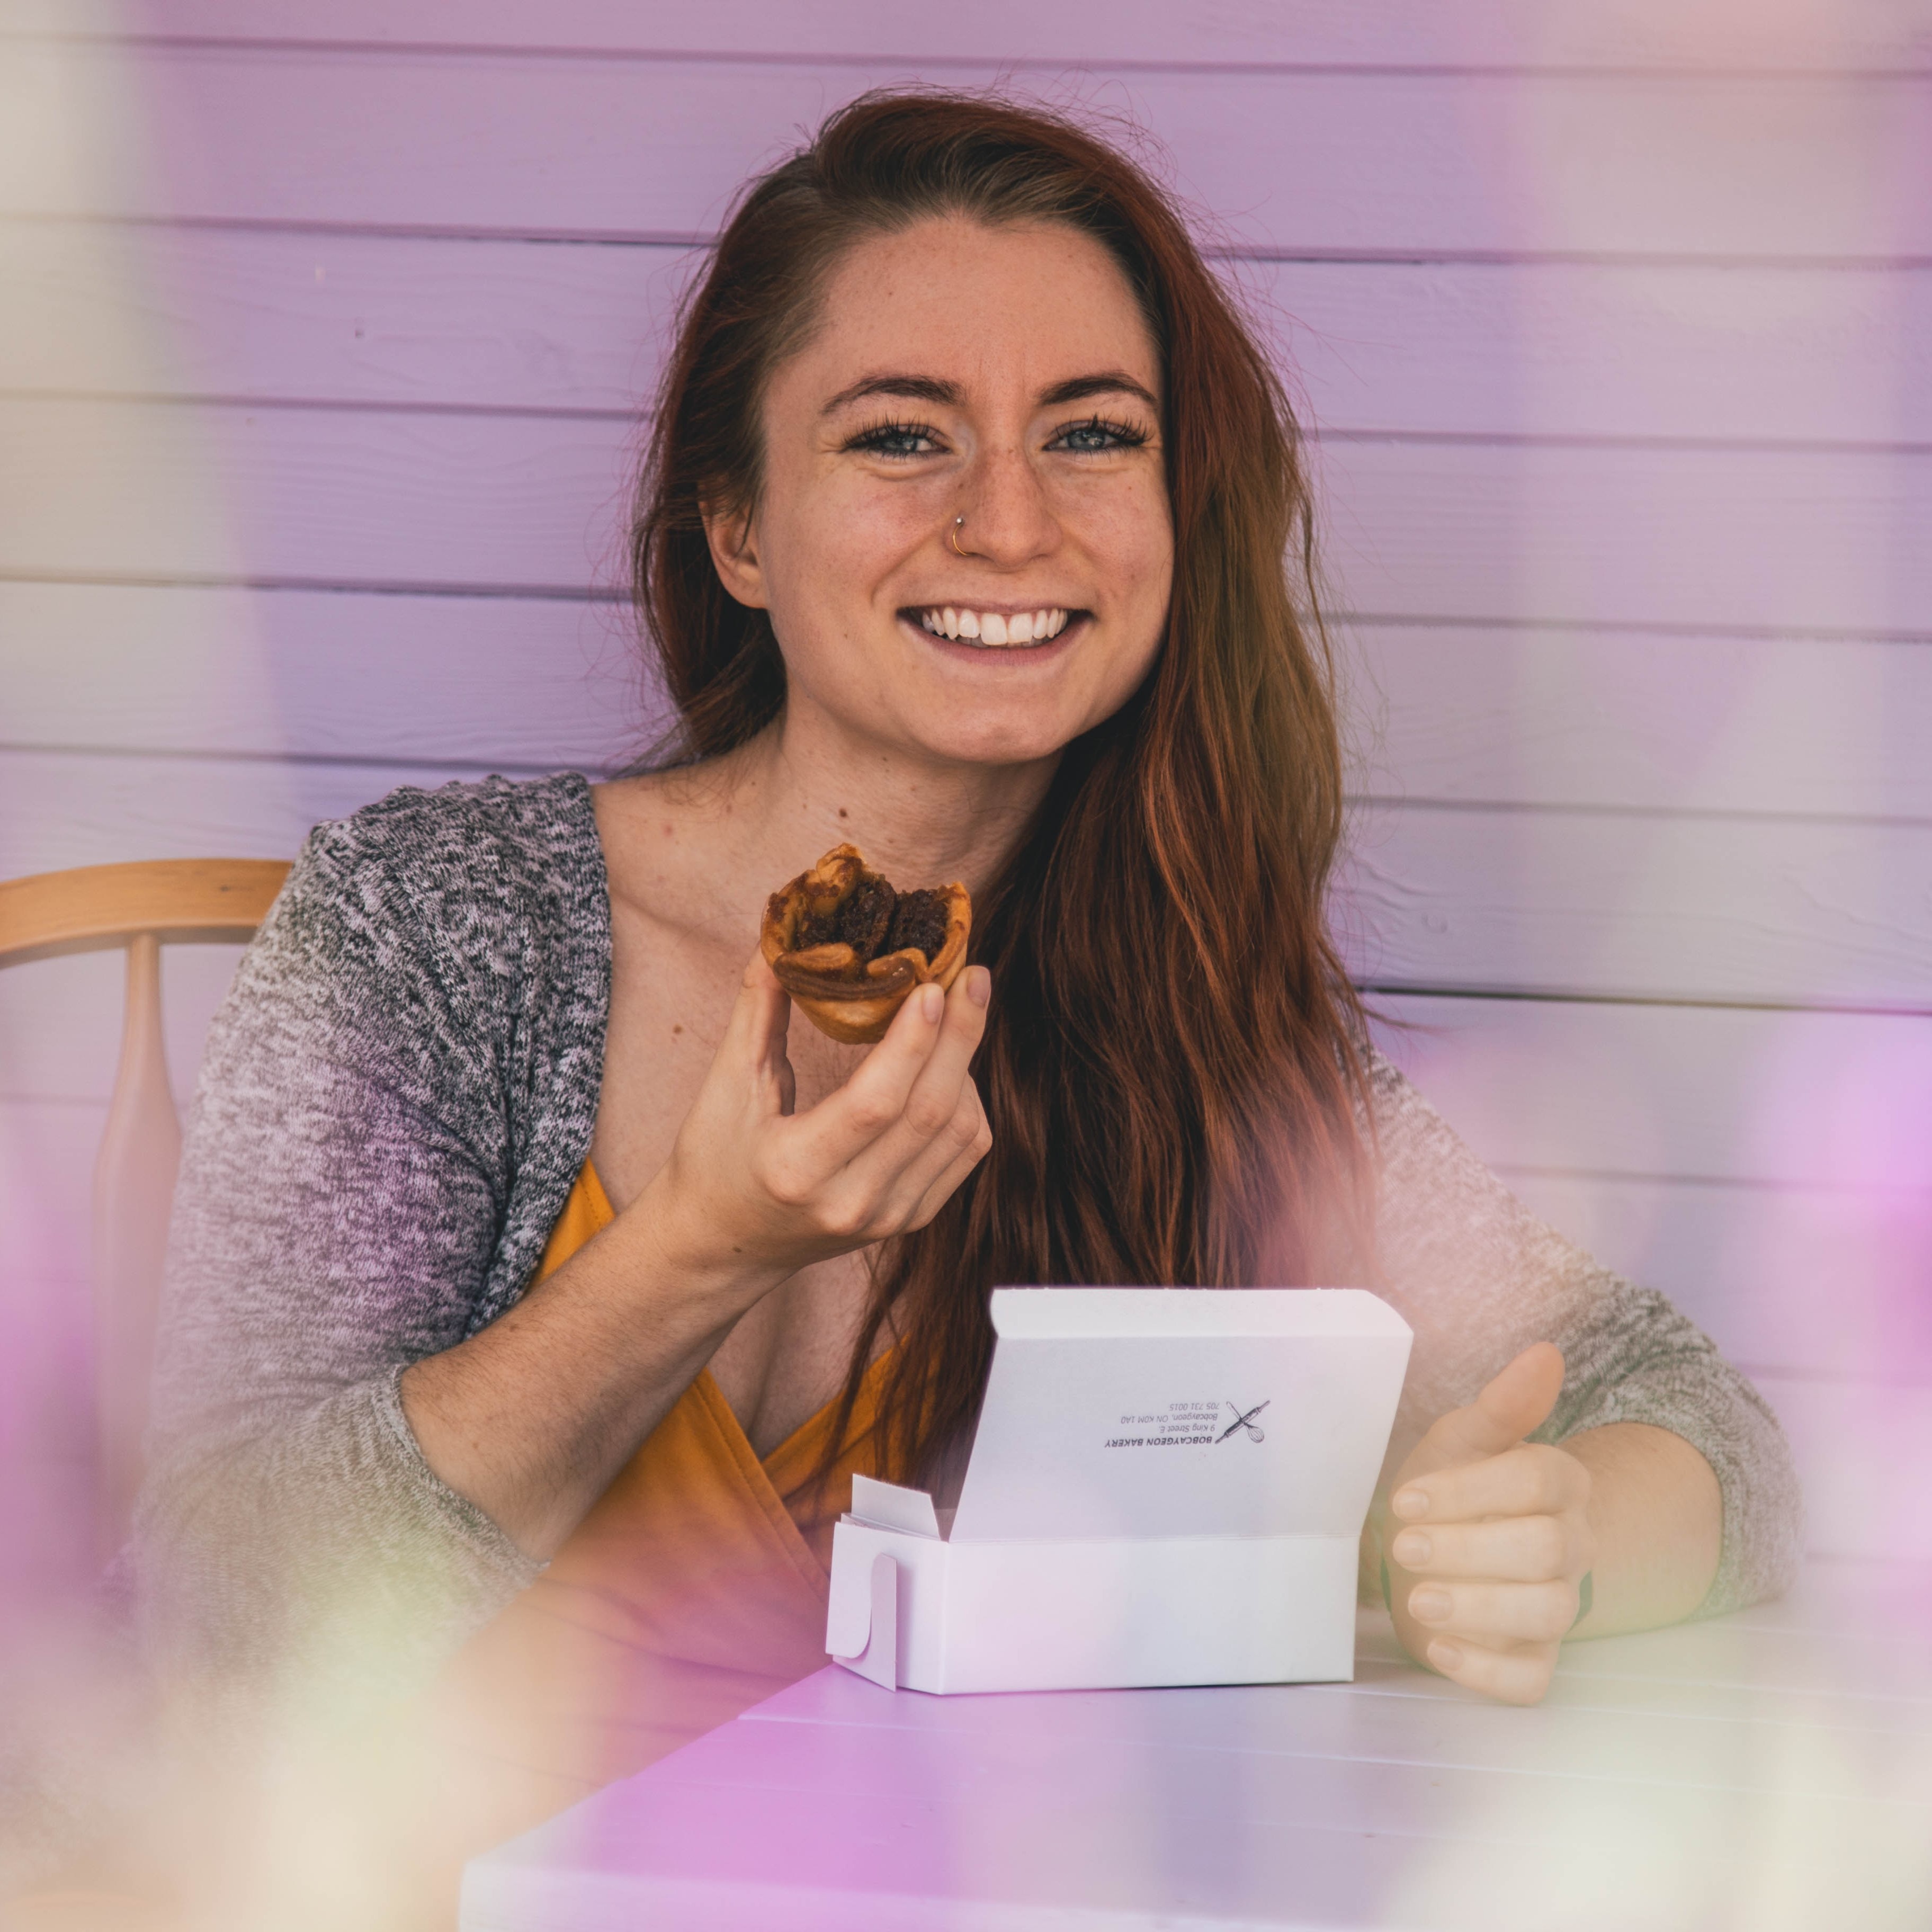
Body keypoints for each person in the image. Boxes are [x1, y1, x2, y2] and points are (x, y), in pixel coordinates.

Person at [133, 90, 1799, 1921]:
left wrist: (1558, 1539)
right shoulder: (444, 934)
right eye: (900, 436)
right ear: (740, 532)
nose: (1010, 522)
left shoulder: (1190, 1006)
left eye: (1092, 434)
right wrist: (696, 1249)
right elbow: (217, 1607)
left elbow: (1687, 1417)